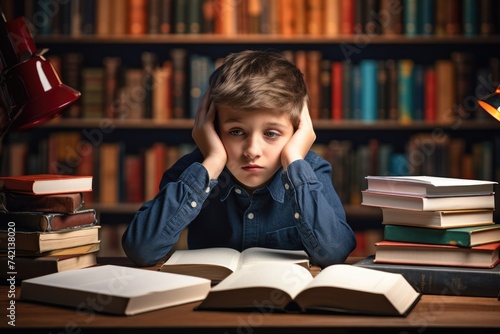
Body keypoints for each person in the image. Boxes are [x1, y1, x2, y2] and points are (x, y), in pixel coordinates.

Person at [122, 50, 356, 268]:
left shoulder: (311, 170)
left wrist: (294, 159)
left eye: (271, 134)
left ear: (296, 133)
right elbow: (142, 250)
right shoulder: (195, 170)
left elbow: (334, 252)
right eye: (236, 132)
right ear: (212, 128)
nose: (252, 150)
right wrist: (213, 160)